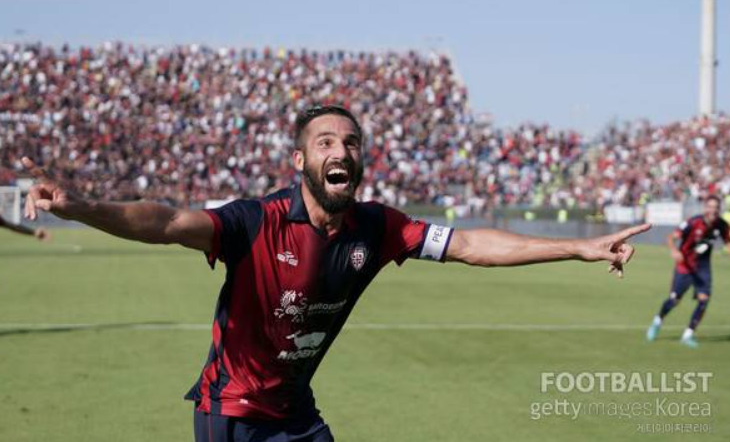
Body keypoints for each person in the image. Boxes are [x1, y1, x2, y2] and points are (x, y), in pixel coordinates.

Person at [22, 105, 650, 442]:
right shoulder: (256, 221)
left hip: (296, 414)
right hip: (231, 415)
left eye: (350, 142)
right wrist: (80, 206)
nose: (340, 150)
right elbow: (162, 222)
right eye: (325, 142)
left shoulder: (377, 227)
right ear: (300, 160)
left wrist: (579, 248)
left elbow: (471, 244)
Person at [646, 195, 730, 348]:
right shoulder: (693, 222)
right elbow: (671, 237)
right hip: (684, 266)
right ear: (705, 208)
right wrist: (674, 251)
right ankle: (658, 321)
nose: (713, 210)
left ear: (719, 209)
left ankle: (687, 335)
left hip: (703, 269)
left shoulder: (722, 225)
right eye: (710, 207)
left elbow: (728, 242)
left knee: (704, 301)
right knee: (674, 300)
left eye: (716, 207)